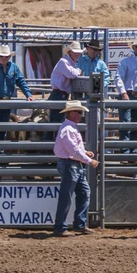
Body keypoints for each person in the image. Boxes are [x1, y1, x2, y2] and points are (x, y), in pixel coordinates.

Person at [52, 101, 99, 237]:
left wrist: (85, 153)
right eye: (78, 112)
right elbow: (73, 150)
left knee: (83, 192)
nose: (80, 115)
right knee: (68, 196)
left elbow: (75, 149)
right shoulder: (68, 129)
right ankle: (61, 227)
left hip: (73, 164)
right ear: (71, 113)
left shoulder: (70, 128)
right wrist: (89, 160)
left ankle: (78, 224)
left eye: (80, 112)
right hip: (69, 164)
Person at [47, 41, 83, 136]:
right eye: (75, 52)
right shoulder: (64, 62)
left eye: (78, 52)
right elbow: (72, 74)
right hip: (59, 95)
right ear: (70, 52)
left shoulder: (69, 63)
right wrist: (79, 70)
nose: (77, 54)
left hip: (61, 95)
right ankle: (48, 145)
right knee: (55, 123)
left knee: (57, 122)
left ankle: (49, 146)